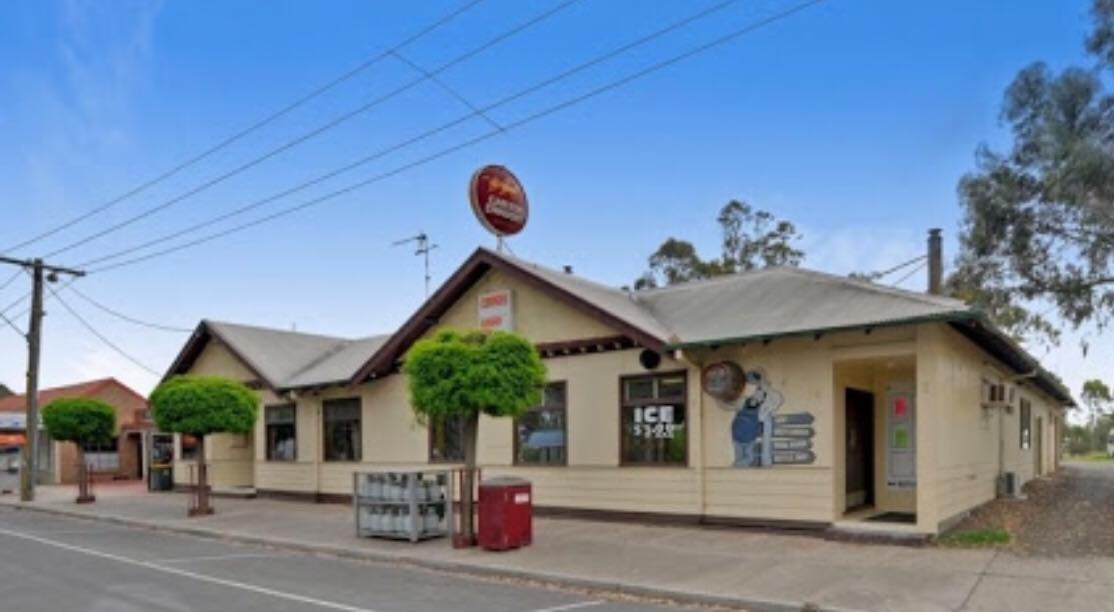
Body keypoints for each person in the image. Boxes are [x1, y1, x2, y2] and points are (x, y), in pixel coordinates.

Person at [731, 369, 782, 467]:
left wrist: (764, 386)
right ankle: (737, 470)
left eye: (758, 388)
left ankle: (737, 468)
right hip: (738, 436)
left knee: (749, 458)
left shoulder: (765, 405)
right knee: (740, 458)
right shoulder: (743, 400)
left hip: (751, 437)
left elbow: (778, 398)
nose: (755, 392)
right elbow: (731, 405)